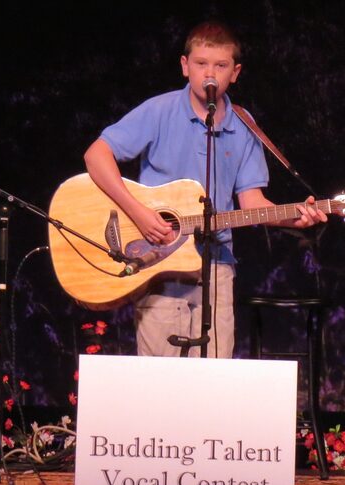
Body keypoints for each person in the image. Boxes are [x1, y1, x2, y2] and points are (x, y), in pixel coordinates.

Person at [83, 21, 326, 358]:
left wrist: (292, 219)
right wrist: (139, 213)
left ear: (235, 72)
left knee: (213, 383)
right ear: (185, 66)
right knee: (162, 382)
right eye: (201, 63)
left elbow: (251, 202)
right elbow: (96, 155)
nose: (209, 73)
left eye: (221, 65)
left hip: (217, 266)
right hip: (158, 262)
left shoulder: (243, 124)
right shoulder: (160, 110)